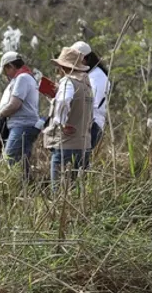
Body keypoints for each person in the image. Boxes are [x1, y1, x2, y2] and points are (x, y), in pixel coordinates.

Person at [42, 46, 93, 186]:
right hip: (84, 143)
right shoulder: (86, 85)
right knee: (77, 187)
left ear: (63, 67)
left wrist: (60, 123)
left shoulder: (67, 82)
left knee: (58, 189)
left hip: (66, 143)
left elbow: (64, 101)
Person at [0, 51, 42, 179]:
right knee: (21, 163)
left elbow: (15, 104)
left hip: (22, 126)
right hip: (26, 125)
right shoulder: (28, 77)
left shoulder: (22, 78)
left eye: (6, 70)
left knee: (10, 160)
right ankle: (26, 190)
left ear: (10, 67)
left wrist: (0, 113)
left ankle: (15, 190)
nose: (6, 75)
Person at [71, 41, 110, 169]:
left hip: (91, 124)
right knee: (79, 163)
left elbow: (91, 103)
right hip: (86, 123)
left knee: (79, 164)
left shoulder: (96, 77)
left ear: (84, 59)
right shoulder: (91, 75)